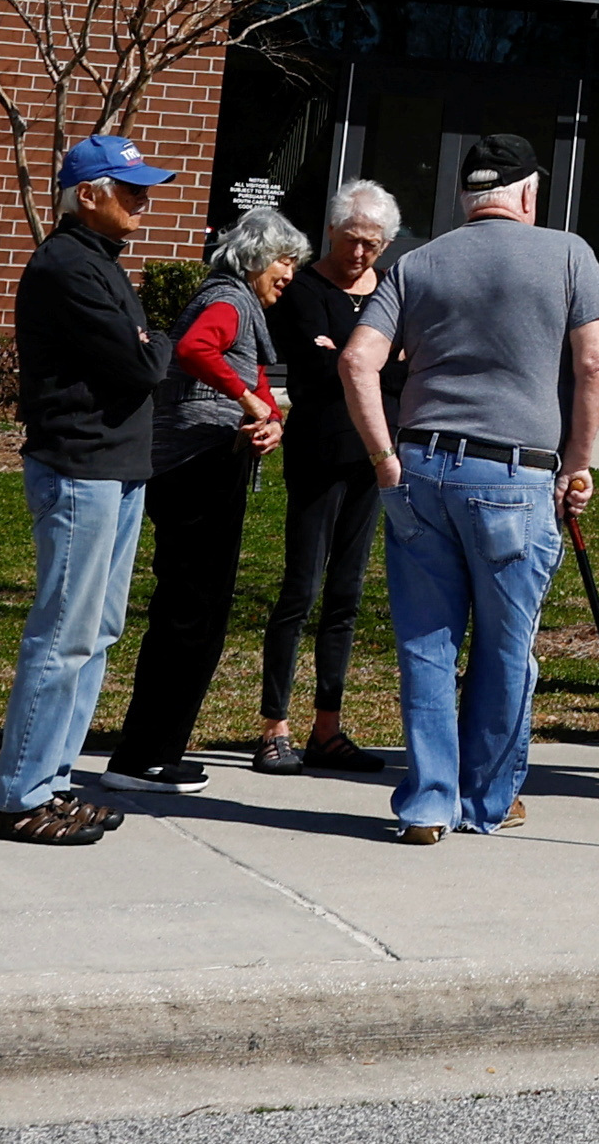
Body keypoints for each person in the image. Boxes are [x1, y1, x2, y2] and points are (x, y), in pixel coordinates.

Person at [343, 129, 599, 840]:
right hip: (513, 472)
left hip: (421, 469)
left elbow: (356, 360)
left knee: (426, 643)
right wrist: (577, 461)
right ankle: (486, 799)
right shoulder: (567, 252)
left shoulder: (419, 261)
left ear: (468, 197)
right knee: (505, 646)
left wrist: (383, 455)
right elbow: (594, 366)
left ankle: (430, 801)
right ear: (528, 193)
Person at [0, 132, 175, 844]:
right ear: (89, 195)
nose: (143, 201)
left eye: (144, 188)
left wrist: (147, 340)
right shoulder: (66, 265)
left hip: (119, 471)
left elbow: (144, 351)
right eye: (129, 190)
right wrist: (153, 339)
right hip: (79, 469)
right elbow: (145, 367)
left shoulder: (103, 264)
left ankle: (56, 781)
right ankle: (21, 798)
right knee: (63, 636)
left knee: (96, 633)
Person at [106, 178, 300, 786]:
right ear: (255, 257)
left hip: (212, 463)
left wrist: (267, 421)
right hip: (196, 468)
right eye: (285, 261)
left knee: (200, 611)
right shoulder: (228, 299)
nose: (290, 274)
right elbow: (193, 350)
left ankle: (154, 748)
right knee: (192, 613)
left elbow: (254, 382)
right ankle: (145, 755)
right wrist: (248, 400)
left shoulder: (239, 307)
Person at [253, 180, 395, 777]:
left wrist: (358, 357)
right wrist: (364, 358)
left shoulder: (389, 291)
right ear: (331, 231)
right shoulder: (305, 288)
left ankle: (327, 728)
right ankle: (273, 728)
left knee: (347, 594)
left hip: (373, 458)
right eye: (352, 240)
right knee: (300, 589)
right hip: (317, 454)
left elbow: (400, 364)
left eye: (373, 244)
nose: (360, 254)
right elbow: (320, 361)